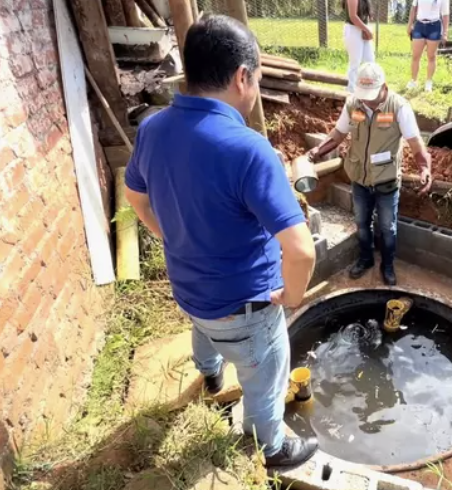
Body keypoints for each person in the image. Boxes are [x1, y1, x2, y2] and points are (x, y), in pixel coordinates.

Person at [124, 15, 318, 470]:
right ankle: (271, 448)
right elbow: (301, 249)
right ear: (242, 77)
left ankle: (210, 377)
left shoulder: (152, 128)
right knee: (265, 381)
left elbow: (136, 197)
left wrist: (171, 238)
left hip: (190, 292)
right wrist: (291, 296)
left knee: (204, 337)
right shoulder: (249, 149)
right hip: (246, 310)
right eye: (257, 81)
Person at [309, 63, 433, 286]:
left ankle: (387, 265)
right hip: (359, 178)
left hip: (386, 180)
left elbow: (416, 143)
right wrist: (318, 151)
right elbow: (337, 134)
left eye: (371, 96)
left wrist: (424, 168)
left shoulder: (398, 107)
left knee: (388, 227)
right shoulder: (353, 104)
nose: (366, 100)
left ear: (383, 87)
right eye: (363, 95)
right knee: (361, 223)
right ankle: (365, 259)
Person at [406, 0, 450, 92]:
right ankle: (413, 81)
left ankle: (428, 82)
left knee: (431, 56)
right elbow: (414, 8)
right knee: (415, 56)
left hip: (434, 26)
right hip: (419, 26)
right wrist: (410, 24)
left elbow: (445, 15)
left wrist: (445, 33)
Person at [344, 0, 375, 93]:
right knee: (355, 62)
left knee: (370, 60)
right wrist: (367, 30)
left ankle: (367, 89)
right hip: (353, 29)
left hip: (363, 28)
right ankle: (350, 91)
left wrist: (367, 26)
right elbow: (353, 16)